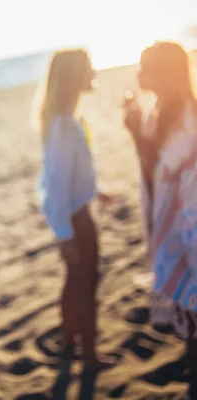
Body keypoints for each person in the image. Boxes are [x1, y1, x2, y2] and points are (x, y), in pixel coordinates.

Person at [123, 41, 197, 398]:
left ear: (164, 74)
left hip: (189, 226)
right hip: (176, 222)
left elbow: (161, 170)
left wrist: (136, 133)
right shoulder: (160, 110)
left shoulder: (186, 116)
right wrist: (137, 128)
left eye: (145, 67)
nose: (138, 74)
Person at [36, 48, 114, 372]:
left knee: (74, 282)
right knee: (86, 284)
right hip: (76, 221)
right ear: (73, 77)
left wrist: (96, 191)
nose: (94, 71)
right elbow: (55, 185)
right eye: (88, 67)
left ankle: (70, 342)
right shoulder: (63, 126)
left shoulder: (66, 120)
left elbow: (72, 176)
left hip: (78, 214)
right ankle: (90, 356)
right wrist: (64, 234)